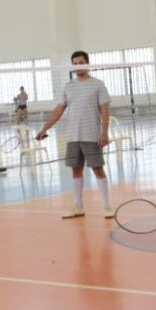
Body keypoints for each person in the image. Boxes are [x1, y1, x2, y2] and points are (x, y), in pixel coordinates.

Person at [36, 51, 113, 218]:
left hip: (92, 134)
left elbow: (105, 110)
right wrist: (44, 129)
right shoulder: (68, 86)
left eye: (81, 63)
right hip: (73, 136)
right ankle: (78, 207)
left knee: (97, 169)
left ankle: (107, 207)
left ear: (87, 63)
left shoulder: (98, 84)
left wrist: (104, 133)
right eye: (75, 64)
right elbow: (58, 110)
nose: (78, 67)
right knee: (75, 171)